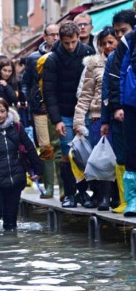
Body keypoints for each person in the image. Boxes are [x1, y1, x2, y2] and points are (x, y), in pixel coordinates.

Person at [42, 21, 94, 208]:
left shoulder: (88, 52)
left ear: (78, 38)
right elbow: (49, 92)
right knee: (67, 155)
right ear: (61, 41)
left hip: (85, 110)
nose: (70, 46)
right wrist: (56, 120)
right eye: (66, 43)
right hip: (64, 113)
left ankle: (85, 193)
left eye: (73, 42)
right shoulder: (52, 59)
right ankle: (70, 194)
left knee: (87, 154)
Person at [0, 98, 43, 230]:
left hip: (15, 179)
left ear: (7, 111)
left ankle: (11, 247)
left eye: (2, 111)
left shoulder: (16, 127)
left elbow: (29, 147)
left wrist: (38, 170)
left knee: (11, 220)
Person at [74, 27, 118, 211]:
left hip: (118, 116)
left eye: (111, 42)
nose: (107, 46)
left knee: (119, 158)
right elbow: (85, 95)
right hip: (97, 117)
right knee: (99, 158)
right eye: (104, 43)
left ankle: (117, 197)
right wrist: (78, 120)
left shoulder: (125, 60)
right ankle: (102, 198)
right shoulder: (93, 65)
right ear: (99, 45)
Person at [101, 9, 136, 214]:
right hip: (131, 104)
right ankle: (132, 200)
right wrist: (119, 105)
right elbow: (118, 75)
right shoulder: (129, 41)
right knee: (131, 153)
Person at [21, 23, 61, 200]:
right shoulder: (33, 58)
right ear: (45, 36)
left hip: (60, 106)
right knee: (45, 147)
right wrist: (28, 97)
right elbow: (25, 81)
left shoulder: (63, 56)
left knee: (60, 146)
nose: (55, 38)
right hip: (40, 107)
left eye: (58, 34)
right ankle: (50, 187)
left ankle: (65, 189)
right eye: (52, 35)